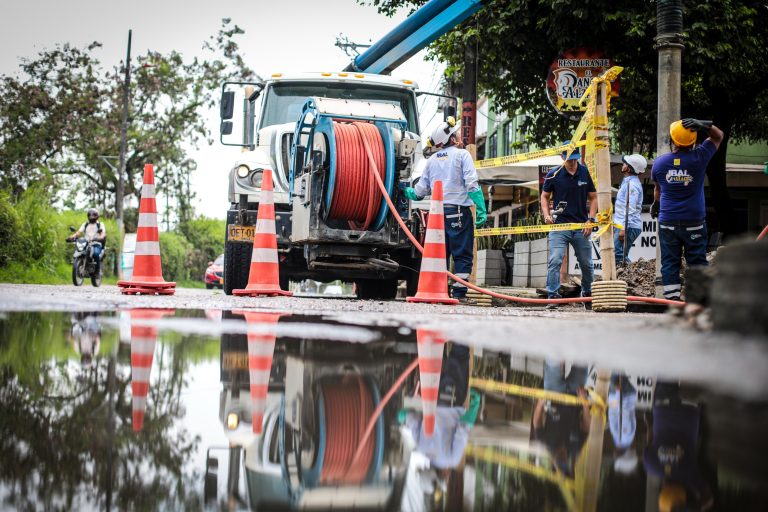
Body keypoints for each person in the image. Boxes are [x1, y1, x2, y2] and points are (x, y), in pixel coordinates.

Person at [405, 117, 487, 302]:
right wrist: (481, 208)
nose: (458, 135)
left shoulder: (432, 160)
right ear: (451, 139)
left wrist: (406, 191)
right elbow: (472, 184)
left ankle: (439, 291)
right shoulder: (462, 155)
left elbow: (419, 192)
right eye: (455, 134)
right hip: (458, 213)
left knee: (440, 254)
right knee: (462, 254)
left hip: (436, 217)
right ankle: (459, 294)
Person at [651, 119, 723, 301]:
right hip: (694, 222)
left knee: (669, 262)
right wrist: (705, 124)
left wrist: (656, 203)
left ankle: (672, 299)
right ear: (693, 140)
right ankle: (699, 300)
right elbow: (718, 136)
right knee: (697, 261)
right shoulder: (699, 158)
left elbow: (657, 189)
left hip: (668, 221)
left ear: (673, 141)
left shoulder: (659, 164)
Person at [540, 143, 597, 309]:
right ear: (562, 157)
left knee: (586, 263)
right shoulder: (554, 174)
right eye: (569, 159)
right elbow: (544, 196)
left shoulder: (585, 172)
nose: (572, 163)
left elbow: (594, 197)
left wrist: (590, 220)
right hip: (559, 226)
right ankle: (553, 296)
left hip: (581, 226)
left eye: (574, 159)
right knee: (555, 259)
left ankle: (587, 294)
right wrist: (546, 214)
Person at [613, 154, 647, 267]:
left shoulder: (632, 185)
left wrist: (623, 228)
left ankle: (627, 277)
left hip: (628, 225)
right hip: (625, 224)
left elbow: (630, 209)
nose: (623, 165)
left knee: (617, 255)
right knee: (620, 255)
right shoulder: (628, 181)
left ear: (629, 167)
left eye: (625, 163)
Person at [68, 208, 107, 272]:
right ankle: (82, 265)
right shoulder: (85, 224)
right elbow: (78, 232)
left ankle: (97, 271)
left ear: (97, 216)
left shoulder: (100, 224)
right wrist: (72, 237)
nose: (92, 217)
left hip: (96, 244)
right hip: (86, 243)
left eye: (94, 215)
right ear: (88, 216)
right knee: (79, 250)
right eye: (90, 215)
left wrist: (100, 238)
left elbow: (103, 234)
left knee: (96, 254)